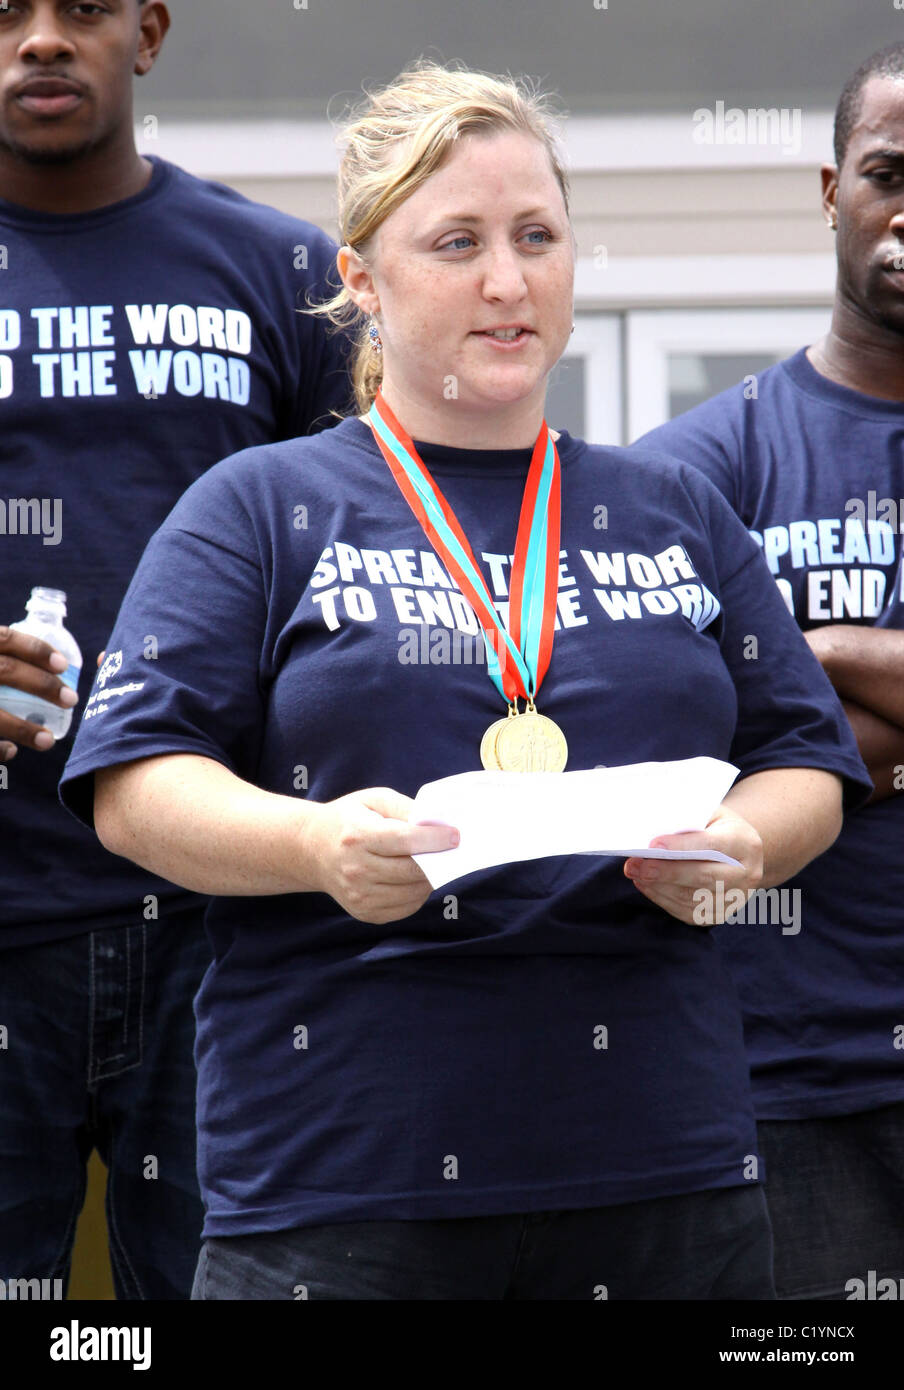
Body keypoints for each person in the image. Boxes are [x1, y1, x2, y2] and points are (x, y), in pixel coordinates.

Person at [60, 60, 871, 1302]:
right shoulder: (260, 508)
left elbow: (804, 758)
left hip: (665, 1174)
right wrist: (315, 842)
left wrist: (743, 851)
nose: (508, 280)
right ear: (359, 281)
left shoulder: (673, 507)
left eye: (536, 236)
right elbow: (133, 782)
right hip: (342, 1183)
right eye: (457, 243)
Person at [0, 0, 349, 1300]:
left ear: (146, 31)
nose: (41, 40)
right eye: (6, 13)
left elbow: (397, 536)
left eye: (81, 9)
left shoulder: (282, 271)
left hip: (231, 914)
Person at [633, 44, 904, 1302]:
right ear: (828, 190)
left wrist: (812, 657)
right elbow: (665, 734)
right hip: (781, 1075)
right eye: (887, 175)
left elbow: (770, 715)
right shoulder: (694, 469)